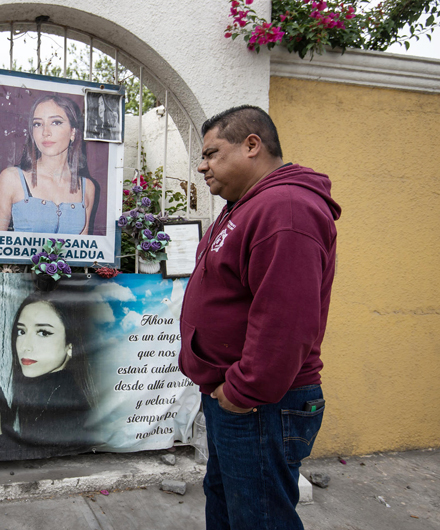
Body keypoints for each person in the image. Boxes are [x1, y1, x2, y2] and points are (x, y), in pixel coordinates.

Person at [178, 105, 341, 530]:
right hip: (236, 398)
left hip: (259, 404)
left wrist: (243, 391)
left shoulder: (286, 208)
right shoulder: (245, 205)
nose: (202, 165)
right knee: (230, 506)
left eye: (212, 153)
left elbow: (286, 322)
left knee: (259, 518)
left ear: (252, 145)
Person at [0, 290, 96, 460]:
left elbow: (42, 471)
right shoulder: (46, 389)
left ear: (69, 346)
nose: (26, 346)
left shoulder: (68, 402)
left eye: (43, 333)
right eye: (21, 331)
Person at [0, 94, 96, 235]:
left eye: (56, 122)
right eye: (37, 124)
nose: (45, 132)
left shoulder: (86, 187)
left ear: (73, 132)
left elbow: (82, 252)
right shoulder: (11, 179)